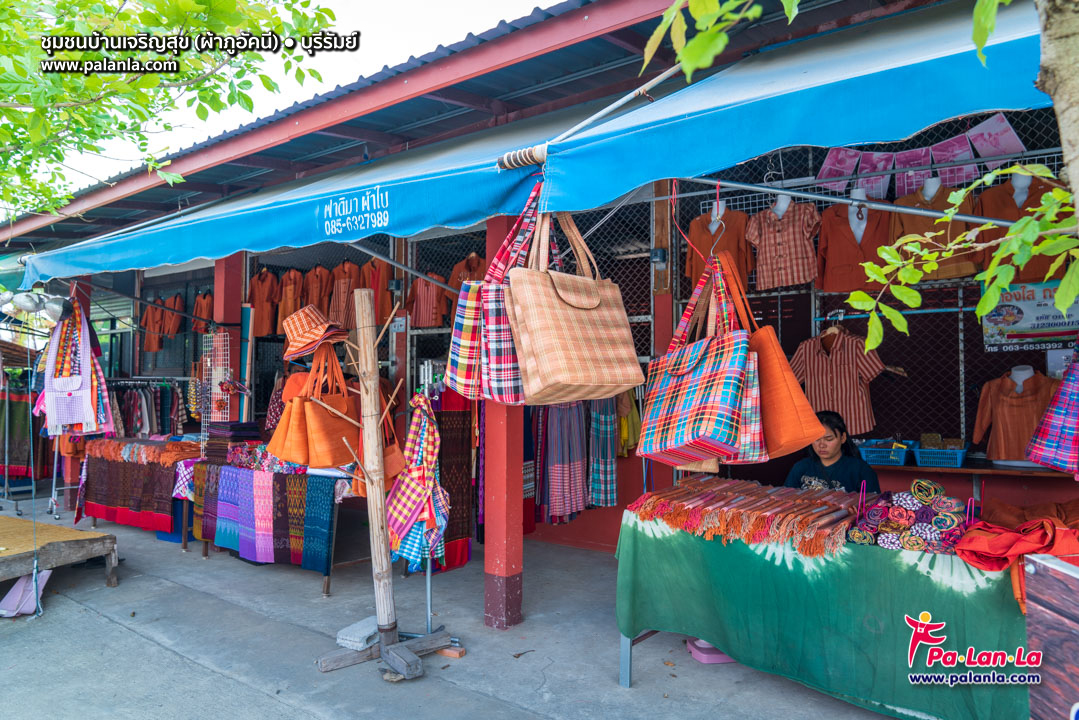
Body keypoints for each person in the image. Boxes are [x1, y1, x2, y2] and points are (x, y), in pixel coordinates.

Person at [784, 411, 880, 493]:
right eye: (816, 439)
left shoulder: (861, 471)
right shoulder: (801, 468)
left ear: (843, 438)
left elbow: (873, 507)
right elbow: (786, 499)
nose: (822, 445)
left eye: (829, 439)